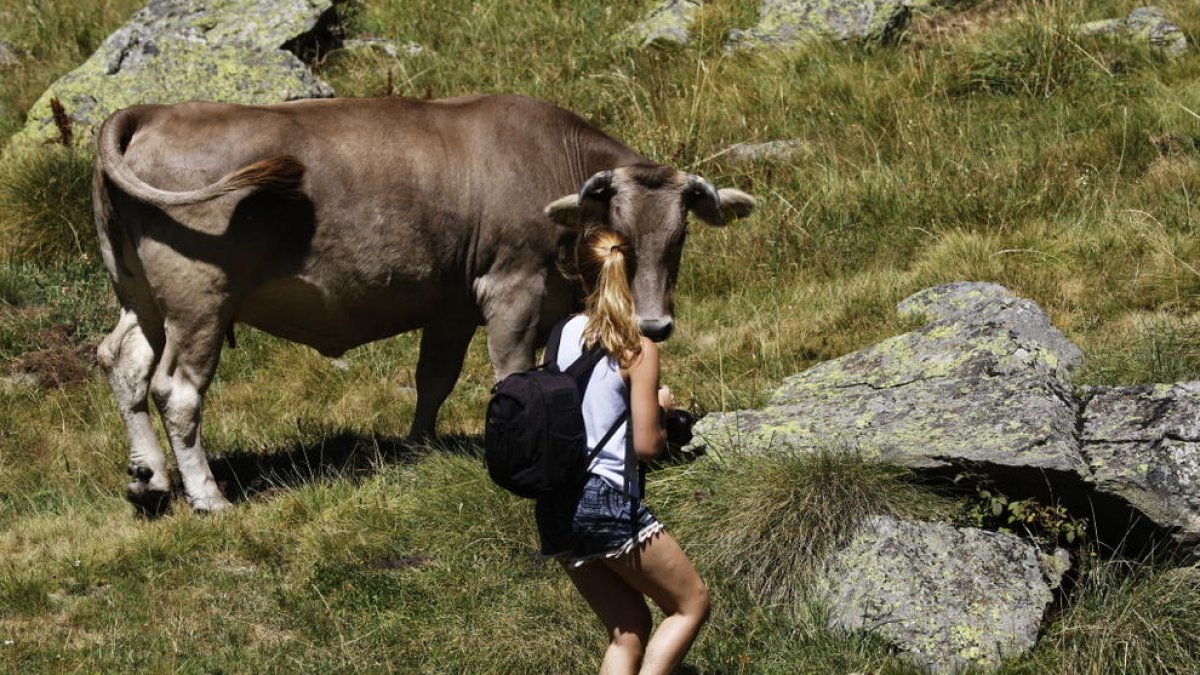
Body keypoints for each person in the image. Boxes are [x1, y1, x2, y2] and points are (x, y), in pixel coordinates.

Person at [536, 226, 710, 674]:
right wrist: (660, 410)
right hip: (606, 497)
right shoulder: (636, 349)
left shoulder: (558, 336)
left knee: (628, 627)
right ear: (632, 273)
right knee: (691, 603)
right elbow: (647, 445)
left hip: (556, 502)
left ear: (579, 276)